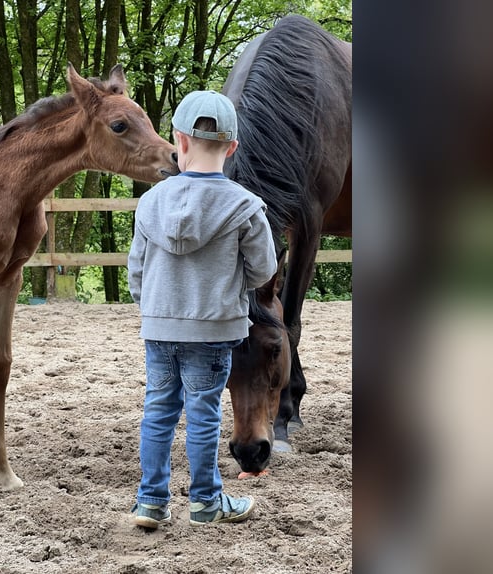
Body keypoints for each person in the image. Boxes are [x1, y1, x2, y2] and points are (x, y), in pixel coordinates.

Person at [127, 90, 277, 528]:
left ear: (179, 140)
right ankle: (206, 502)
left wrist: (154, 307)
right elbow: (263, 268)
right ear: (232, 147)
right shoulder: (244, 206)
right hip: (213, 331)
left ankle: (151, 502)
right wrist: (231, 288)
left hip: (159, 327)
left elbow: (137, 269)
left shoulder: (151, 201)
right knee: (204, 413)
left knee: (158, 411)